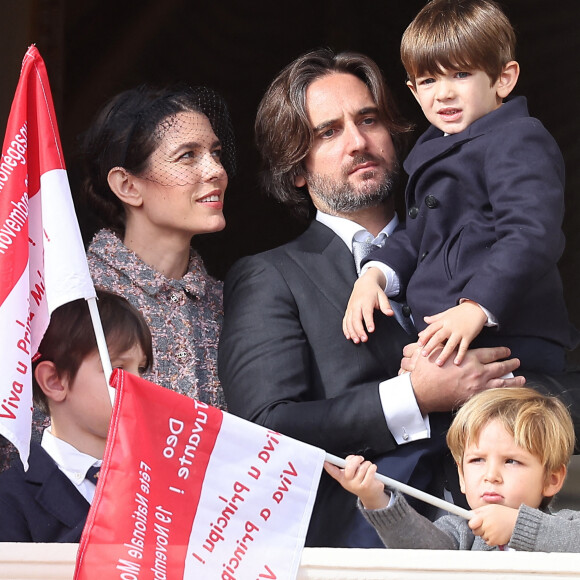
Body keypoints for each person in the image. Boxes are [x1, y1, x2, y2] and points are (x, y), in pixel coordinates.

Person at [218, 47, 524, 548]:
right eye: (328, 132)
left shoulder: (485, 241)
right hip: (362, 547)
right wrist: (413, 397)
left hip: (507, 541)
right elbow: (264, 428)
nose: (358, 142)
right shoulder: (270, 274)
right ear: (296, 168)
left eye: (369, 119)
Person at [343, 0, 578, 374]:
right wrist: (375, 275)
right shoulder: (432, 146)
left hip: (512, 341)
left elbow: (531, 234)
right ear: (413, 90)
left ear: (504, 78)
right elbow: (418, 240)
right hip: (450, 341)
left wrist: (476, 307)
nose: (444, 93)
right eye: (429, 81)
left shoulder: (517, 137)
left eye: (461, 75)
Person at [83, 84, 236, 409]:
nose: (217, 171)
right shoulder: (73, 301)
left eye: (216, 153)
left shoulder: (231, 305)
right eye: (188, 156)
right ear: (127, 185)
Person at [325, 387, 580, 551]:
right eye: (476, 460)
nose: (491, 476)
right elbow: (422, 553)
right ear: (461, 475)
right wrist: (375, 498)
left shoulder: (566, 524)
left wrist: (519, 526)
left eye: (511, 461)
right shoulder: (459, 533)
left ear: (552, 479)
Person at [0, 289, 153, 542]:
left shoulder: (164, 481)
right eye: (117, 368)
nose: (137, 384)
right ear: (54, 381)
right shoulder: (10, 498)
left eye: (141, 369)